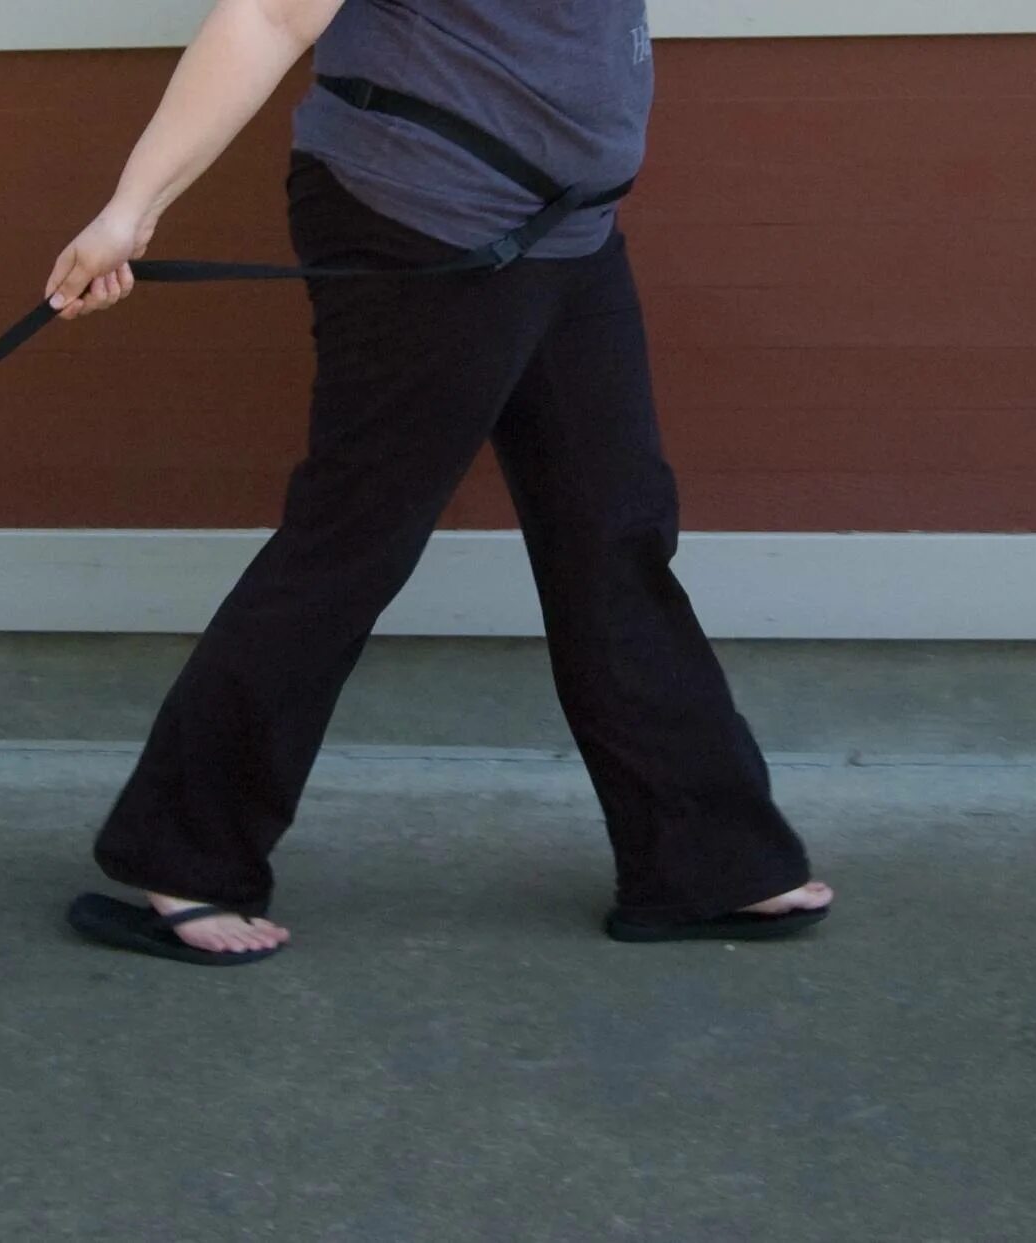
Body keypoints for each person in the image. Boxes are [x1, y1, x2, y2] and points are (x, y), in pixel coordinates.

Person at [46, 0, 833, 965]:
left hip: (568, 234)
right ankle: (186, 854)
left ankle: (705, 861)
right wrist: (132, 210)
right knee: (351, 543)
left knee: (613, 532)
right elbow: (265, 13)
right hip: (425, 221)